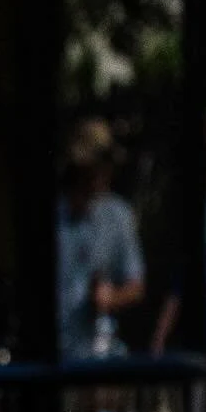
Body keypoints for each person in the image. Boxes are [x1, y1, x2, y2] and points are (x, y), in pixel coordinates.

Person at [57, 117, 145, 357]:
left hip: (102, 355)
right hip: (58, 353)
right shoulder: (56, 216)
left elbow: (136, 286)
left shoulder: (118, 215)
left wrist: (111, 297)